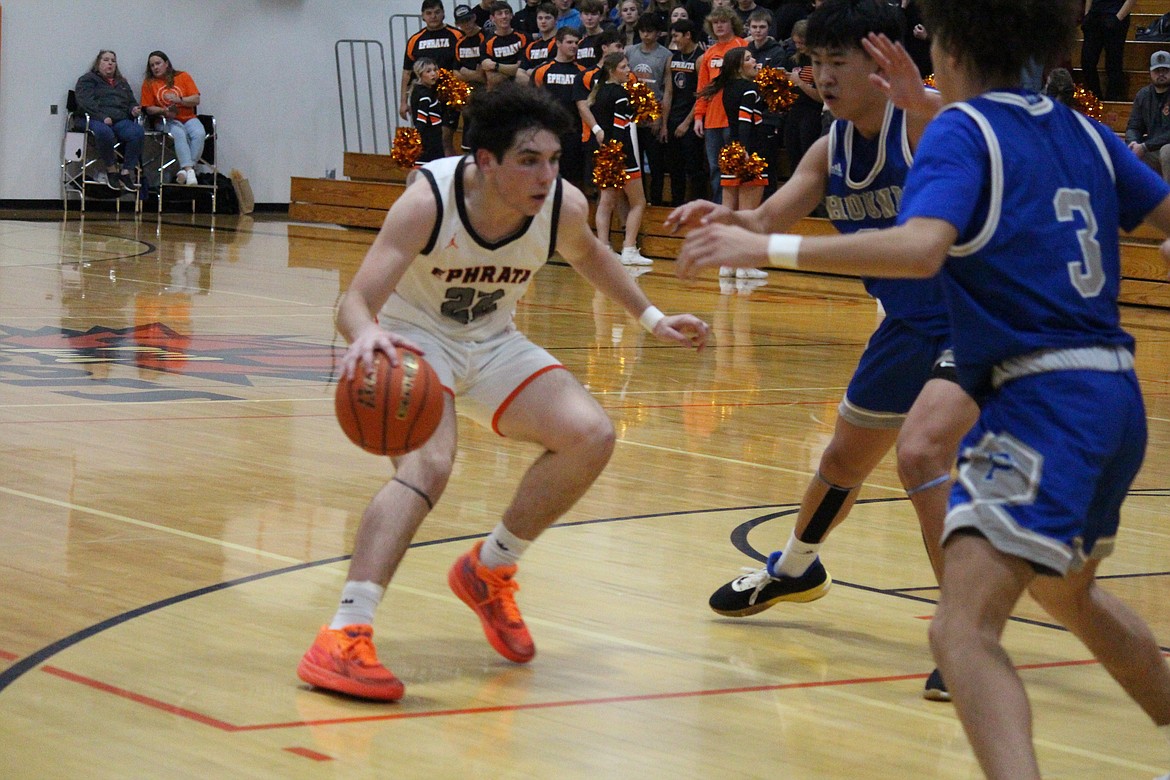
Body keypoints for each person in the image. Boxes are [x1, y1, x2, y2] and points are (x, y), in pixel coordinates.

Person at [676, 0, 1170, 776]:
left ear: (946, 47)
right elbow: (1165, 217)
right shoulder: (1083, 130)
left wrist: (765, 244)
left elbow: (920, 247)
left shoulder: (959, 130)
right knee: (1069, 597)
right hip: (1110, 390)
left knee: (960, 627)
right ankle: (795, 564)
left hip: (1030, 391)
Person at [297, 83, 709, 702]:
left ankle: (489, 568)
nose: (547, 175)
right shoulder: (427, 202)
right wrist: (362, 338)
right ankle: (344, 633)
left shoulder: (561, 204)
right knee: (428, 466)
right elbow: (354, 300)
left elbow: (593, 258)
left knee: (590, 435)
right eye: (528, 160)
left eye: (552, 159)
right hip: (415, 339)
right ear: (485, 161)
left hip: (492, 340)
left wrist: (653, 318)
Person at [666, 0, 972, 702]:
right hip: (906, 324)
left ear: (884, 63)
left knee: (923, 456)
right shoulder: (830, 147)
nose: (823, 77)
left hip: (975, 322)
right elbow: (768, 218)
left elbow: (945, 126)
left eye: (841, 63)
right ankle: (796, 566)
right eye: (818, 62)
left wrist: (917, 94)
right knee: (841, 461)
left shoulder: (928, 121)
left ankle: (964, 633)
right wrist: (725, 216)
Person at [590, 52, 655, 266]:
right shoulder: (620, 93)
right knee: (638, 202)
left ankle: (604, 248)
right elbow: (620, 129)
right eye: (624, 67)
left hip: (605, 153)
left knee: (606, 203)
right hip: (622, 154)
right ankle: (629, 248)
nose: (628, 70)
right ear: (611, 70)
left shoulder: (600, 93)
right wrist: (622, 157)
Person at [693, 6, 748, 204]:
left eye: (723, 21)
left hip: (735, 118)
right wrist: (699, 116)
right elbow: (703, 88)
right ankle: (719, 209)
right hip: (712, 121)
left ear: (732, 23)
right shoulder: (709, 53)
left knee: (737, 166)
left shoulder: (742, 46)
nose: (719, 26)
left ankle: (739, 209)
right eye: (715, 23)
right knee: (716, 169)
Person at [73, 50, 144, 192]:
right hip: (93, 118)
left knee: (137, 132)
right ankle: (111, 170)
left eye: (113, 60)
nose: (110, 63)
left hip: (119, 119)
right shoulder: (87, 80)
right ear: (98, 63)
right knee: (104, 132)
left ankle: (126, 171)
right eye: (106, 60)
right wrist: (102, 116)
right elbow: (85, 102)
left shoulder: (122, 83)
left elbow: (131, 101)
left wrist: (133, 109)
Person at [400, 0, 462, 156]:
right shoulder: (415, 40)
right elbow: (407, 72)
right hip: (422, 95)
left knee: (444, 139)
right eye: (429, 13)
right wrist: (403, 102)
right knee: (427, 140)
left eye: (436, 12)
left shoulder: (456, 35)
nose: (433, 16)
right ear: (422, 16)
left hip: (448, 95)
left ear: (443, 13)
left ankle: (452, 178)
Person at [533, 27, 591, 186]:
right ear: (558, 43)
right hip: (549, 132)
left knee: (574, 180)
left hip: (574, 132)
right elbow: (534, 103)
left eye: (576, 43)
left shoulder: (583, 72)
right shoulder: (542, 71)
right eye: (569, 42)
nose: (574, 46)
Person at [626, 14, 674, 205]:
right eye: (642, 31)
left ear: (658, 33)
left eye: (650, 31)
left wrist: (660, 120)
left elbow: (668, 90)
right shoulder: (630, 52)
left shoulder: (666, 55)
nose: (645, 35)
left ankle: (656, 200)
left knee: (656, 165)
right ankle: (638, 200)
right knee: (634, 164)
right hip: (632, 116)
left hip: (653, 115)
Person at [140, 51, 205, 187]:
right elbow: (148, 108)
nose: (155, 68)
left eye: (158, 64)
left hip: (187, 117)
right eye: (152, 66)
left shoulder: (183, 76)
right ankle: (190, 170)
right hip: (165, 120)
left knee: (199, 133)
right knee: (179, 133)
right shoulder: (149, 83)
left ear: (166, 63)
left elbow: (196, 99)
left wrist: (179, 100)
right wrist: (164, 110)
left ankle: (185, 169)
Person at [664, 19, 709, 205]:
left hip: (692, 121)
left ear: (688, 35)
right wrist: (664, 124)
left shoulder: (701, 58)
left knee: (694, 167)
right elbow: (668, 92)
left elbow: (702, 93)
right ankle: (676, 205)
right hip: (674, 118)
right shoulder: (672, 59)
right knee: (675, 168)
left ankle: (698, 205)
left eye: (676, 36)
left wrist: (687, 122)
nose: (674, 40)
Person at [1127, 50, 1170, 186]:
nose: (1161, 74)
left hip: (1164, 149)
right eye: (1157, 70)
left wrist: (1145, 146)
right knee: (1124, 151)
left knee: (1166, 151)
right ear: (1150, 73)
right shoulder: (1143, 95)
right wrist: (1133, 142)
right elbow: (1134, 126)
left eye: (1165, 70)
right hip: (1151, 149)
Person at [1081, 0, 1134, 101]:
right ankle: (1095, 99)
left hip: (1116, 14)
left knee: (1113, 64)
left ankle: (1111, 100)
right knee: (1087, 62)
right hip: (1094, 15)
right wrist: (1087, 14)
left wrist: (1118, 18)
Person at [482, 1, 529, 89]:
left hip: (522, 90)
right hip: (499, 92)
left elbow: (521, 69)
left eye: (507, 13)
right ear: (492, 18)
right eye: (499, 14)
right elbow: (492, 79)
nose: (504, 16)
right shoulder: (487, 43)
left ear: (511, 15)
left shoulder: (524, 37)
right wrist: (513, 71)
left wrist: (496, 66)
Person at [409, 59, 446, 166]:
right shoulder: (425, 96)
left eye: (435, 70)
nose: (433, 74)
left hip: (432, 142)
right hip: (429, 144)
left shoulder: (418, 90)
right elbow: (421, 121)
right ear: (420, 74)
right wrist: (415, 143)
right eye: (428, 71)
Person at [518, 2, 560, 84]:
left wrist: (531, 71)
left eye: (547, 18)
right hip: (534, 90)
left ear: (556, 20)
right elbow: (519, 72)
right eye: (540, 18)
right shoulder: (531, 46)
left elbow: (549, 69)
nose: (543, 21)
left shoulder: (559, 43)